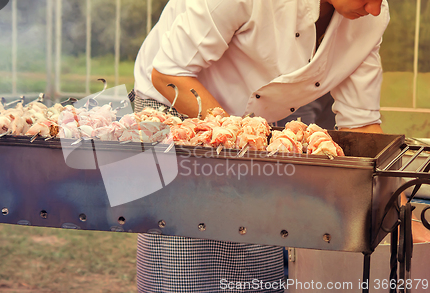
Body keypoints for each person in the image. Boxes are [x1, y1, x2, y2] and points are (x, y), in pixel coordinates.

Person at [132, 0, 389, 292]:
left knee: (258, 229)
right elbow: (169, 74)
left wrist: (397, 210)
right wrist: (236, 136)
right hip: (176, 103)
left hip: (250, 121)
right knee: (189, 244)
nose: (375, 9)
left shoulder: (370, 19)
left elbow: (362, 124)